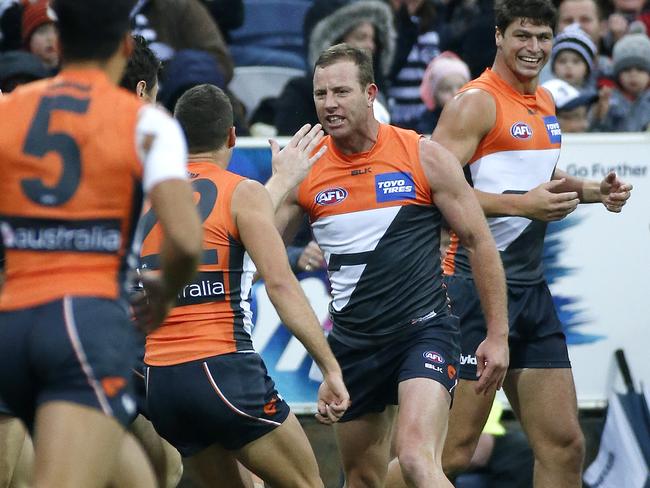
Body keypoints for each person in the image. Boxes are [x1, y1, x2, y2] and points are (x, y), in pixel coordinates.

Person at [412, 1, 632, 486]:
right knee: (451, 453)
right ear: (498, 36)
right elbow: (430, 191)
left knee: (564, 444)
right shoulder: (475, 102)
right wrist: (521, 206)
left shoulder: (546, 102)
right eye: (522, 36)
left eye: (543, 37)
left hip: (531, 290)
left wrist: (597, 192)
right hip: (469, 289)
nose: (534, 48)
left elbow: (538, 178)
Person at [269, 43, 509, 488]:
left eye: (341, 91)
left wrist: (497, 335)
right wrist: (279, 181)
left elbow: (479, 241)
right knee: (362, 479)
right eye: (321, 94)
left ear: (371, 93)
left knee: (418, 460)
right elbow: (257, 246)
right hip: (354, 345)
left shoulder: (423, 155)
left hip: (424, 332)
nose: (329, 104)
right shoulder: (307, 169)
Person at [0, 1, 203, 487]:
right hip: (82, 323)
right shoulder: (146, 122)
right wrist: (166, 290)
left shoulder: (10, 108)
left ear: (60, 44)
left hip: (11, 321)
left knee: (145, 476)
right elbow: (186, 240)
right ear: (125, 46)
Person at [141, 84, 350, 487]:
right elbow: (281, 285)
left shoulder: (150, 198)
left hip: (161, 383)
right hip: (222, 368)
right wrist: (330, 367)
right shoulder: (242, 191)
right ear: (233, 136)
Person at [591, 31, 650, 132]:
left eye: (640, 69)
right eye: (626, 70)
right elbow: (595, 131)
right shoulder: (609, 100)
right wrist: (600, 115)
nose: (633, 74)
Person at [417, 50, 471, 134]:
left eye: (461, 87)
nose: (455, 93)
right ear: (434, 94)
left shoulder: (473, 117)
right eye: (447, 89)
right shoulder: (429, 121)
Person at [550, 24, 598, 89]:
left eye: (576, 62)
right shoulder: (546, 92)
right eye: (562, 61)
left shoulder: (594, 95)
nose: (568, 66)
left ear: (587, 68)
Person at [20, 0, 59, 71]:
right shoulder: (19, 76)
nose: (50, 38)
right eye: (42, 31)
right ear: (28, 39)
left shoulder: (76, 72)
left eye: (57, 31)